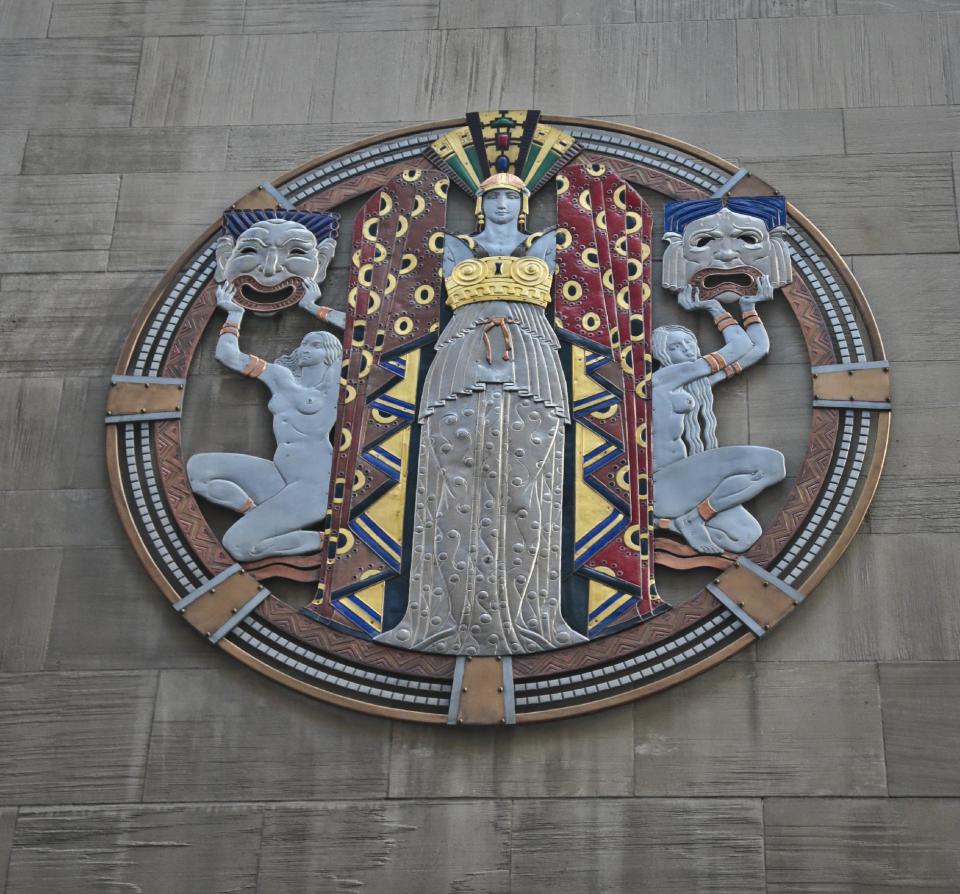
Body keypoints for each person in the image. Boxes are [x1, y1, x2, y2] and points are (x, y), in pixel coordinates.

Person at [376, 173, 586, 655]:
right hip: (459, 360)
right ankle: (441, 621)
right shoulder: (454, 245)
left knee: (526, 490)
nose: (501, 203)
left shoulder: (548, 243)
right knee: (451, 489)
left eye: (511, 195)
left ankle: (535, 619)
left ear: (524, 203)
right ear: (479, 204)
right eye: (492, 196)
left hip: (531, 359)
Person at [187, 279, 346, 561]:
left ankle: (325, 539)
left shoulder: (336, 385)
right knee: (199, 469)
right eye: (304, 343)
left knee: (237, 545)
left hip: (313, 486)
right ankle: (256, 513)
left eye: (317, 344)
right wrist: (234, 314)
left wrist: (312, 307)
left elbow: (367, 333)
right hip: (279, 475)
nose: (305, 348)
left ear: (332, 355)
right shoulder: (280, 377)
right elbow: (228, 355)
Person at [651, 284, 786, 555]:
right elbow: (738, 346)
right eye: (677, 346)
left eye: (690, 341)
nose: (687, 349)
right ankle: (691, 519)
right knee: (771, 463)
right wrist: (712, 306)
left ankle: (681, 521)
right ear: (662, 354)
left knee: (746, 536)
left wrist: (749, 308)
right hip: (664, 483)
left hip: (690, 487)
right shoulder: (662, 380)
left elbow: (758, 348)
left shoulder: (698, 381)